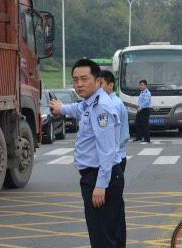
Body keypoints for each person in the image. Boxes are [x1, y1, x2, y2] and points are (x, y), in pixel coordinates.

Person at [49, 59, 125, 248]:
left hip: (99, 176)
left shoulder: (101, 108)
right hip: (99, 175)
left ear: (98, 81)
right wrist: (61, 109)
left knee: (102, 239)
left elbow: (107, 150)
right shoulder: (91, 102)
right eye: (75, 80)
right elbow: (78, 109)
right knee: (110, 234)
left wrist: (100, 185)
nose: (79, 84)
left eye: (84, 79)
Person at [100, 70, 129, 247]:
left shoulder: (113, 104)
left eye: (101, 83)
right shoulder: (110, 102)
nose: (99, 87)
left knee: (114, 206)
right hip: (117, 156)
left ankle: (117, 242)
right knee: (115, 205)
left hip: (115, 159)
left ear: (110, 85)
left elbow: (113, 138)